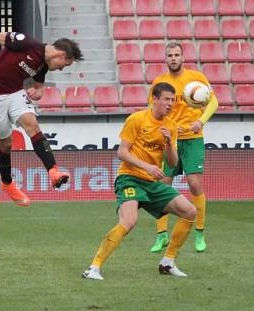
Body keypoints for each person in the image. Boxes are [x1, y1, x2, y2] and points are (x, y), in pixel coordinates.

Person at [0, 32, 83, 207]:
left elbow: (39, 85)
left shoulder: (43, 65)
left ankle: (53, 171)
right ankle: (8, 183)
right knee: (5, 144)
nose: (61, 69)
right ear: (61, 55)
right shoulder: (26, 43)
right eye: (64, 65)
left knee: (33, 127)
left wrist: (39, 91)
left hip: (14, 93)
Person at [82, 83, 197, 280]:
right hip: (130, 178)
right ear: (155, 99)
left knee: (190, 211)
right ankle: (94, 267)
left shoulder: (170, 126)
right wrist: (146, 167)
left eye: (173, 100)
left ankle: (168, 262)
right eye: (167, 99)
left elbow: (172, 162)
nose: (170, 104)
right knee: (129, 221)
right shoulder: (137, 119)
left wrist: (169, 143)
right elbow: (121, 152)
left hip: (152, 183)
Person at [148, 42, 218, 253]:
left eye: (177, 54)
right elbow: (151, 110)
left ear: (183, 57)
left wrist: (201, 121)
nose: (173, 58)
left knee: (195, 184)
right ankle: (161, 236)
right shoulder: (159, 83)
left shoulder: (196, 79)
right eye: (170, 55)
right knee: (162, 184)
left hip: (193, 138)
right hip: (170, 140)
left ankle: (199, 233)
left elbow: (214, 102)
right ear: (165, 58)